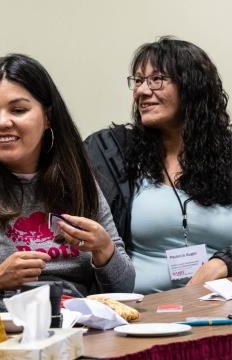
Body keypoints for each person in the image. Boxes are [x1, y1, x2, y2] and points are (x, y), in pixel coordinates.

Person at [0, 54, 135, 315]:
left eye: (18, 110)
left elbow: (124, 289)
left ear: (48, 118)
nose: (3, 122)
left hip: (80, 333)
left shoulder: (77, 180)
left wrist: (104, 250)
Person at [84, 37, 232, 294]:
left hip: (219, 305)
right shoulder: (115, 153)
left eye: (156, 79)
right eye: (139, 81)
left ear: (191, 87)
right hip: (141, 311)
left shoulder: (227, 155)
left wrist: (223, 263)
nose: (142, 91)